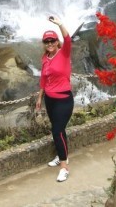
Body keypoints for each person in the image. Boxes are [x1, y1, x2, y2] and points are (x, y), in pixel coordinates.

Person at [35, 15, 74, 182]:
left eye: (52, 41)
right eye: (47, 41)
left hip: (64, 100)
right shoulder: (45, 58)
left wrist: (60, 24)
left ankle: (64, 167)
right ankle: (61, 155)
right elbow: (43, 79)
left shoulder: (64, 54)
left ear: (57, 42)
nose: (50, 43)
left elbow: (68, 39)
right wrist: (39, 98)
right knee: (59, 130)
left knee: (57, 131)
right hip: (49, 100)